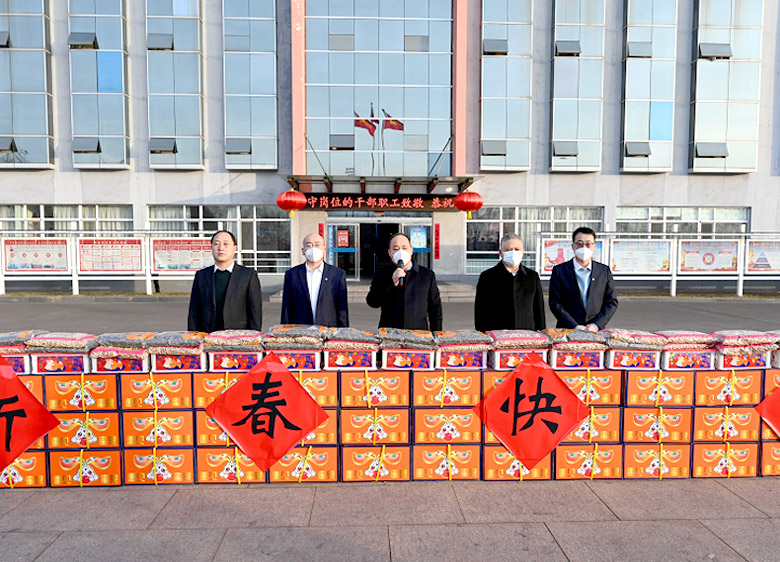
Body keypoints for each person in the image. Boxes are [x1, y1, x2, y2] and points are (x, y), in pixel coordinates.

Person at [187, 230, 263, 332]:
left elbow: (255, 311)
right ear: (211, 248)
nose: (221, 248)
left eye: (226, 244)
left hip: (238, 336)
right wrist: (193, 336)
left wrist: (253, 336)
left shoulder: (248, 275)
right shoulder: (201, 276)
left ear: (234, 248)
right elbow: (194, 311)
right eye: (216, 244)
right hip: (207, 335)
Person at [366, 233, 442, 331]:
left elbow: (435, 309)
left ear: (411, 251)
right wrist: (390, 282)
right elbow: (372, 302)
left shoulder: (427, 275)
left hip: (418, 334)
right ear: (390, 253)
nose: (401, 252)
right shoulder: (382, 274)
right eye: (396, 249)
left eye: (404, 248)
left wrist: (436, 334)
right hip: (389, 333)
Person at [548, 226, 618, 331]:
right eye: (579, 244)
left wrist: (596, 324)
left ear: (594, 246)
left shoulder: (603, 271)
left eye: (588, 244)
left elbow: (611, 302)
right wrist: (575, 326)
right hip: (567, 330)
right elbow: (555, 303)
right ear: (573, 246)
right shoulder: (560, 271)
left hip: (596, 330)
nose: (584, 247)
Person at [474, 233, 545, 332]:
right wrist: (484, 336)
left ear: (523, 252)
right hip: (497, 335)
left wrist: (542, 333)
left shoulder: (532, 277)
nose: (513, 253)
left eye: (517, 249)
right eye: (508, 250)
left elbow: (539, 310)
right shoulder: (487, 277)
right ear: (501, 252)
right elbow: (480, 312)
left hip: (527, 335)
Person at [280, 232, 349, 327]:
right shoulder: (292, 274)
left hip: (328, 329)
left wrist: (343, 331)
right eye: (309, 245)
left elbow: (342, 308)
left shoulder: (337, 274)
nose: (313, 249)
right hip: (300, 330)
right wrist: (284, 329)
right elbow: (286, 307)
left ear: (324, 250)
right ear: (303, 251)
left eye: (317, 245)